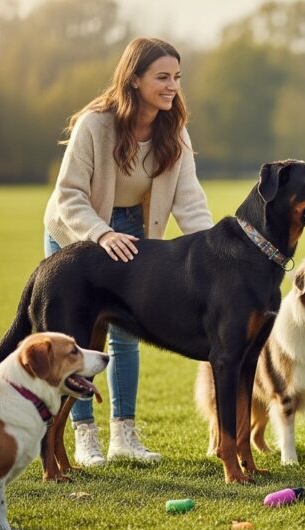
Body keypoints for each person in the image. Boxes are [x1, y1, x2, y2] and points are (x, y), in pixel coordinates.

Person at [43, 37, 213, 466]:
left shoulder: (174, 131)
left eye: (177, 77)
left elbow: (189, 202)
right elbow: (69, 196)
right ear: (134, 79)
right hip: (76, 233)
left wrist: (216, 257)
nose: (172, 85)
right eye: (162, 77)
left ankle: (125, 435)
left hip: (132, 229)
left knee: (127, 334)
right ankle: (84, 436)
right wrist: (100, 234)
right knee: (77, 340)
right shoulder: (95, 125)